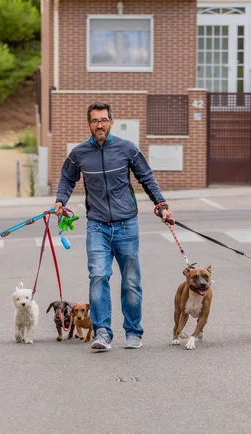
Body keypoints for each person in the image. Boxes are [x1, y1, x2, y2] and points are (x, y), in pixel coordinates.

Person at [53, 102, 174, 351]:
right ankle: (103, 333)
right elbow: (67, 178)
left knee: (131, 280)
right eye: (95, 120)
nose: (99, 124)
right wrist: (60, 200)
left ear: (111, 122)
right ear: (89, 124)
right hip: (97, 225)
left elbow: (146, 177)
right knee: (98, 276)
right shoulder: (79, 154)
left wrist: (161, 205)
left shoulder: (126, 149)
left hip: (126, 225)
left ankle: (133, 332)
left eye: (103, 120)